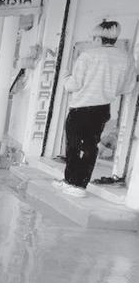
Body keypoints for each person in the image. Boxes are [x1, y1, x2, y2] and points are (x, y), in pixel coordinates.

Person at [54, 20, 136, 197]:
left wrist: (65, 77)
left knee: (73, 146)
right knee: (91, 146)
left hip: (81, 107)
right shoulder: (126, 58)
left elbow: (73, 85)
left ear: (98, 38)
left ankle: (71, 182)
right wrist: (108, 89)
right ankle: (79, 185)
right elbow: (128, 87)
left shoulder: (88, 55)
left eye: (93, 38)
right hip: (102, 109)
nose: (92, 41)